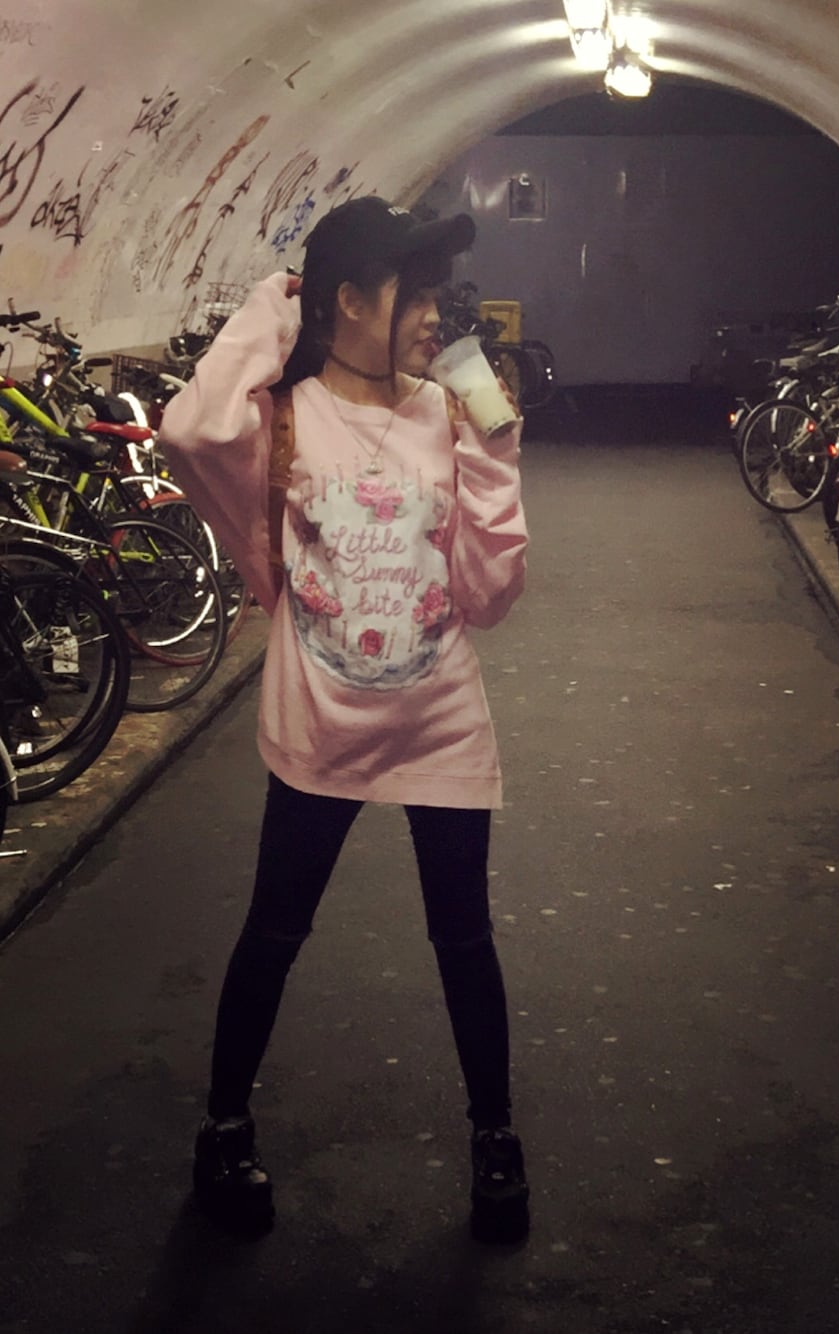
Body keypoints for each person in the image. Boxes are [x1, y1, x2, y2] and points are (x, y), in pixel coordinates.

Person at [158, 195, 530, 1244]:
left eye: (440, 294)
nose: (437, 315)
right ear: (349, 301)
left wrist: (493, 457)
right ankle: (224, 1128)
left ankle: (495, 1136)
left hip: (440, 721)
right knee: (274, 931)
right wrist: (276, 305)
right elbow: (190, 427)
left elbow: (490, 595)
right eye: (416, 292)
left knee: (464, 937)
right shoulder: (286, 418)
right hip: (317, 729)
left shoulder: (446, 413)